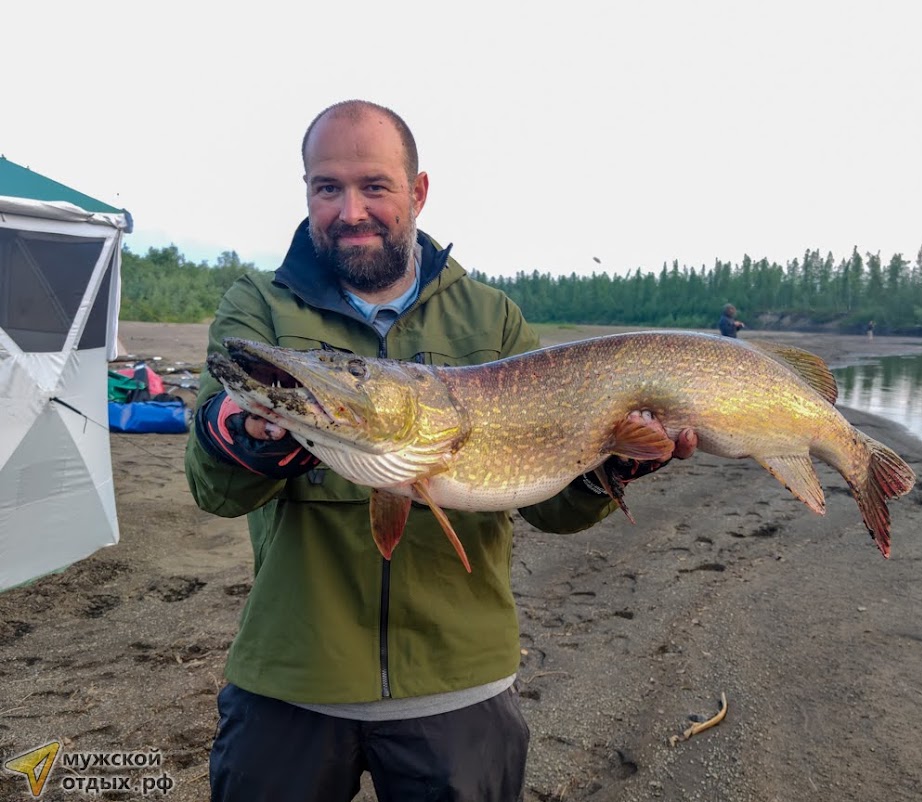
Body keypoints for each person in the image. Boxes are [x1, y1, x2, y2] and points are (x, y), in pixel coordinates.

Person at [185, 99, 697, 802]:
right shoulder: (260, 308)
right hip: (290, 679)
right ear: (306, 191)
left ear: (417, 192)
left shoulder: (490, 317)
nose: (350, 209)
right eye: (326, 188)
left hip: (458, 687)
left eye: (374, 186)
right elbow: (215, 486)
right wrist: (242, 435)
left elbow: (552, 508)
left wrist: (617, 463)